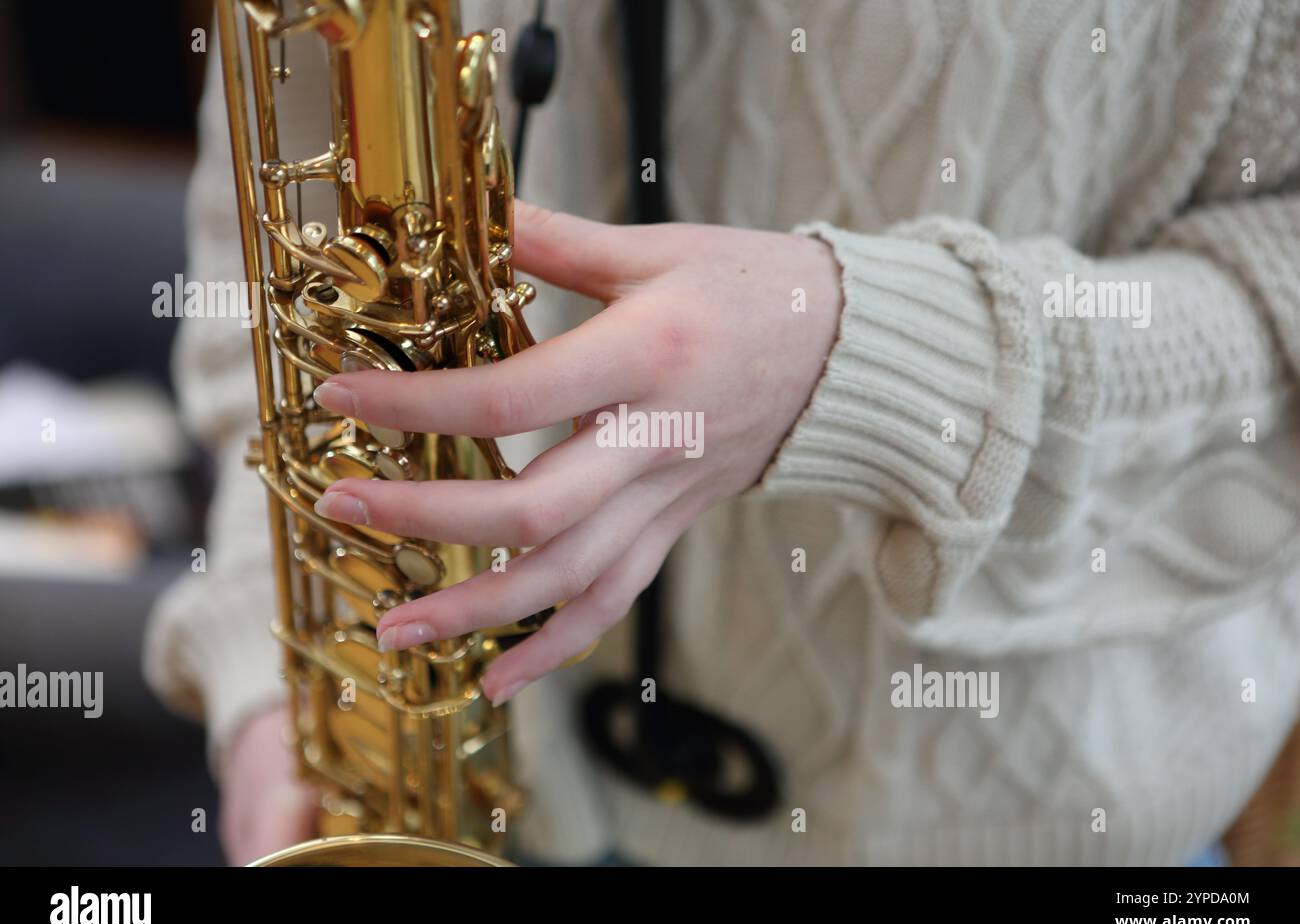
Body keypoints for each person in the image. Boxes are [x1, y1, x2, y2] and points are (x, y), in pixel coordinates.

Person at [147, 0, 1300, 866]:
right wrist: (278, 676)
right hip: (480, 800)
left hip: (1032, 824)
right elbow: (282, 227)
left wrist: (885, 360)